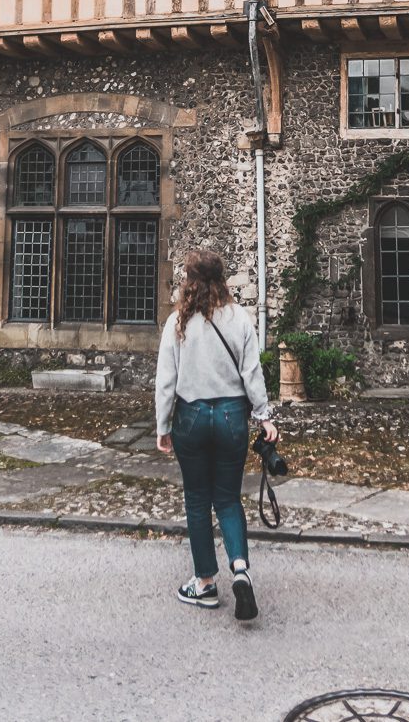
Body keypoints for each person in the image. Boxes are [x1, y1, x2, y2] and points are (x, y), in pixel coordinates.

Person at [155, 247, 278, 621]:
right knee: (227, 498)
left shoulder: (178, 322)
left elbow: (166, 381)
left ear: (189, 281)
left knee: (196, 499)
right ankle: (240, 568)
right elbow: (252, 372)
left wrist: (163, 426)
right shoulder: (240, 318)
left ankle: (205, 583)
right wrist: (264, 416)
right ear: (223, 278)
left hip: (191, 416)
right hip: (230, 417)